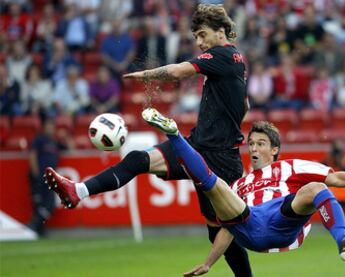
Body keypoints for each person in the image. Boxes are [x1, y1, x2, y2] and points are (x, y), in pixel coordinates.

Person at [43, 4, 252, 277]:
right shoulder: (234, 60)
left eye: (203, 35)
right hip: (199, 147)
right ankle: (78, 191)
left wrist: (144, 75)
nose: (199, 42)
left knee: (222, 233)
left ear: (221, 31)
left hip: (221, 159)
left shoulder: (223, 54)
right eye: (196, 37)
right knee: (138, 159)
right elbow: (245, 105)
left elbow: (178, 72)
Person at [123, 108, 345, 276]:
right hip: (250, 225)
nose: (253, 148)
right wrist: (208, 263)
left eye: (260, 143)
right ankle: (174, 134)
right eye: (251, 143)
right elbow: (227, 229)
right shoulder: (240, 184)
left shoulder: (291, 166)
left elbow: (334, 176)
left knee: (317, 187)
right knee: (212, 183)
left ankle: (343, 241)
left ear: (274, 149)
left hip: (281, 220)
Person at [28, 116, 72, 236]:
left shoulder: (55, 142)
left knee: (49, 204)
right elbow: (32, 155)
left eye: (52, 126)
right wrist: (36, 174)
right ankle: (37, 227)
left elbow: (71, 150)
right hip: (39, 176)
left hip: (49, 177)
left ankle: (35, 225)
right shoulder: (39, 140)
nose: (50, 128)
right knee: (40, 202)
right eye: (48, 126)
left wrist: (66, 137)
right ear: (44, 128)